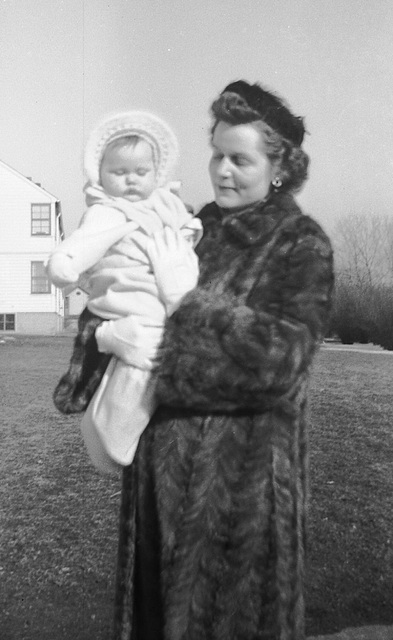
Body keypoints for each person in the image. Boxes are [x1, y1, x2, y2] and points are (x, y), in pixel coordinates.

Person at [79, 80, 333, 639]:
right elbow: (117, 297)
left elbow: (278, 366)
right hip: (155, 483)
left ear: (280, 167)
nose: (221, 171)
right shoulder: (189, 227)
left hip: (236, 500)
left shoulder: (299, 243)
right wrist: (105, 336)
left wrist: (185, 302)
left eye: (240, 159)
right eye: (216, 153)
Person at [47, 111, 202, 473]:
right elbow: (83, 245)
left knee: (161, 358)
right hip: (127, 299)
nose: (131, 181)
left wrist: (188, 234)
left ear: (157, 173)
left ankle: (117, 423)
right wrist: (64, 263)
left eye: (141, 172)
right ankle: (110, 432)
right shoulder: (107, 213)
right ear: (99, 175)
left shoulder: (166, 204)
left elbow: (188, 228)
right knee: (144, 355)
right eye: (119, 172)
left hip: (164, 294)